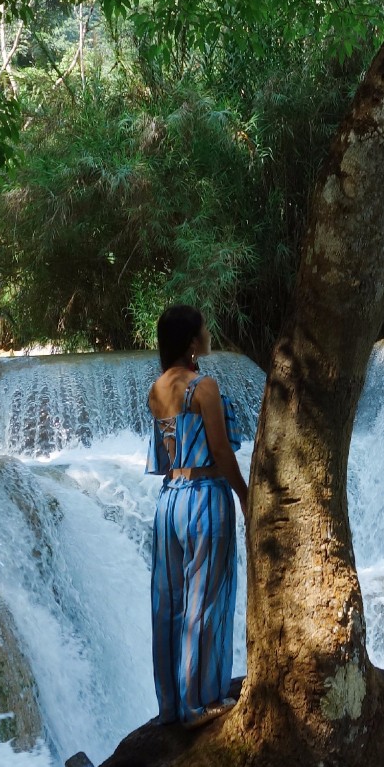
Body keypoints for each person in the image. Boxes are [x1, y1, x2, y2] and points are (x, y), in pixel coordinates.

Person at [146, 303, 249, 727]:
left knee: (168, 603)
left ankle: (172, 707)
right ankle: (200, 704)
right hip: (206, 497)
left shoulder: (157, 389)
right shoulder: (203, 386)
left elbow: (162, 456)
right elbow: (221, 452)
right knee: (205, 600)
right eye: (204, 329)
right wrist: (245, 495)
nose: (209, 333)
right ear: (192, 342)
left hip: (170, 501)